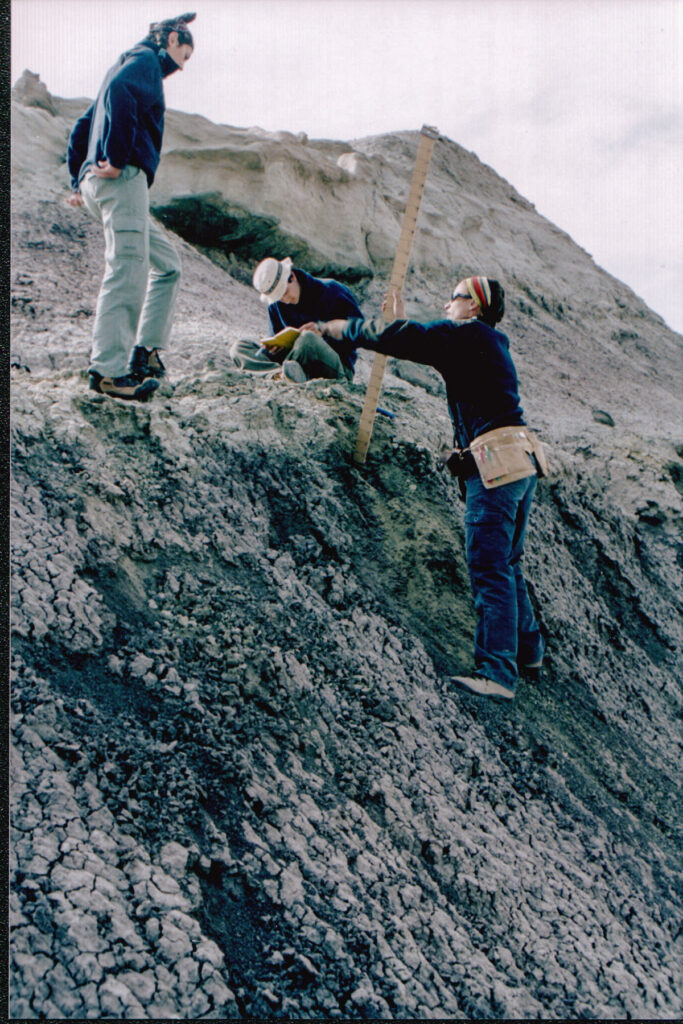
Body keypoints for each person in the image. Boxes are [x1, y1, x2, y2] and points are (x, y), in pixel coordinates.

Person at [320, 275, 545, 702]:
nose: (447, 303)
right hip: (521, 461)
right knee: (508, 562)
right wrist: (400, 330)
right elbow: (412, 342)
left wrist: (334, 329)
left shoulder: (467, 334)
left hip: (495, 468)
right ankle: (530, 652)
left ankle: (498, 673)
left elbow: (400, 338)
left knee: (489, 567)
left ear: (475, 307)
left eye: (455, 296)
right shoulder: (487, 344)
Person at [66, 13, 196, 401]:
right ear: (171, 39)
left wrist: (78, 178)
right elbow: (123, 92)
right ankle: (108, 371)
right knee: (128, 268)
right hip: (123, 180)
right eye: (183, 55)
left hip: (105, 184)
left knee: (167, 263)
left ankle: (145, 352)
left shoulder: (123, 63)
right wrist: (117, 158)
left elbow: (81, 126)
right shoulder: (143, 62)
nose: (182, 66)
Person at [230, 257, 362, 383]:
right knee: (239, 347)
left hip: (335, 366)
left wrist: (324, 330)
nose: (285, 300)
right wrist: (274, 346)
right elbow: (276, 338)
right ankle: (280, 375)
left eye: (285, 292)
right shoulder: (276, 305)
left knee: (307, 339)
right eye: (279, 297)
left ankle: (284, 374)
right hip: (292, 360)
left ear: (292, 276)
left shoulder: (332, 291)